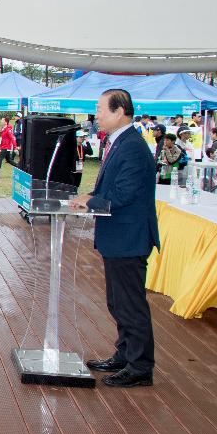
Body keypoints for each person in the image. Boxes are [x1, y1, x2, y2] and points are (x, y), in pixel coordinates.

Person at [70, 89, 159, 388]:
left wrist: (90, 201)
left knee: (130, 304)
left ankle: (140, 367)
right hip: (118, 237)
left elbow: (124, 194)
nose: (96, 115)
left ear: (120, 111)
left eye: (100, 109)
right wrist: (93, 196)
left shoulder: (132, 147)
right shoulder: (120, 142)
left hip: (128, 237)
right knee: (118, 302)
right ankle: (124, 355)